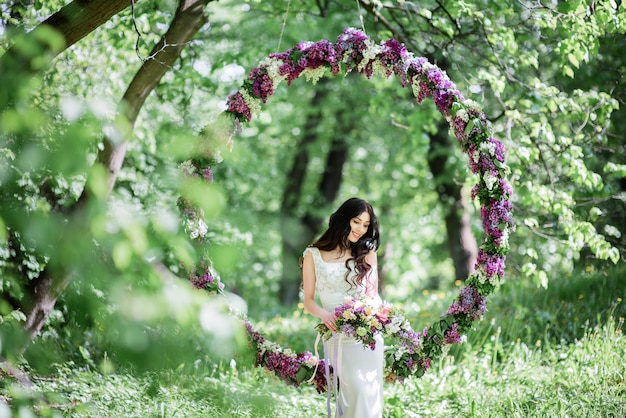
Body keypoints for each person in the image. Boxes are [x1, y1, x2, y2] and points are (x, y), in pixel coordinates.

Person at [302, 197, 383, 418]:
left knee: (366, 393)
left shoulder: (367, 252)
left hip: (365, 334)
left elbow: (372, 295)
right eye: (357, 222)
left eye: (366, 225)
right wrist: (324, 314)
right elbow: (308, 300)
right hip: (335, 334)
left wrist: (374, 314)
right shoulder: (313, 254)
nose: (360, 229)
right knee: (351, 393)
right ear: (343, 219)